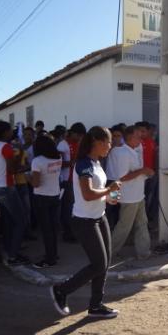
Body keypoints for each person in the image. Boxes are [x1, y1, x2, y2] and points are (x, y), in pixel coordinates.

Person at [50, 126, 121, 319]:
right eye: (108, 142)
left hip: (100, 216)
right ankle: (61, 290)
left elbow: (98, 192)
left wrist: (110, 197)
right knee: (98, 264)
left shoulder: (97, 163)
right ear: (97, 142)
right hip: (84, 221)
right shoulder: (83, 164)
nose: (110, 146)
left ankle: (96, 305)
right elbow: (88, 194)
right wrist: (109, 190)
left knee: (104, 264)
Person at [0, 121, 28, 266]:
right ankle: (13, 256)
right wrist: (20, 152)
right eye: (9, 130)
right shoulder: (6, 147)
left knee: (8, 221)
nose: (11, 133)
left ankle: (9, 250)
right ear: (4, 133)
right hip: (6, 188)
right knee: (21, 221)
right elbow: (12, 170)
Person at [110, 126, 154, 260]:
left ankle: (143, 252)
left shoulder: (133, 151)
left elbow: (136, 172)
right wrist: (142, 171)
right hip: (129, 196)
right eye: (138, 136)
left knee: (142, 223)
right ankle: (109, 252)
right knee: (124, 226)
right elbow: (122, 177)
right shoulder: (123, 153)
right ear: (130, 138)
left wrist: (145, 173)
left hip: (138, 195)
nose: (141, 138)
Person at [29, 134, 62, 268]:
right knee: (53, 228)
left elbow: (36, 183)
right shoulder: (58, 157)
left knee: (46, 229)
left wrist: (27, 178)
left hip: (42, 197)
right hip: (55, 194)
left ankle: (50, 259)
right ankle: (53, 253)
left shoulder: (37, 161)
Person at [62, 123, 87, 242]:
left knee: (74, 207)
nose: (80, 138)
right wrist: (72, 162)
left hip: (76, 179)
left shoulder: (78, 143)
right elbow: (58, 163)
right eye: (79, 136)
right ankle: (68, 233)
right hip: (67, 180)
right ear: (74, 133)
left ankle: (73, 231)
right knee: (68, 208)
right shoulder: (63, 144)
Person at [135, 121, 158, 223]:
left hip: (151, 175)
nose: (141, 133)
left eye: (143, 131)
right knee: (139, 199)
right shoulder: (135, 143)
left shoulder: (152, 142)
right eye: (139, 131)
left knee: (149, 198)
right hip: (138, 176)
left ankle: (146, 221)